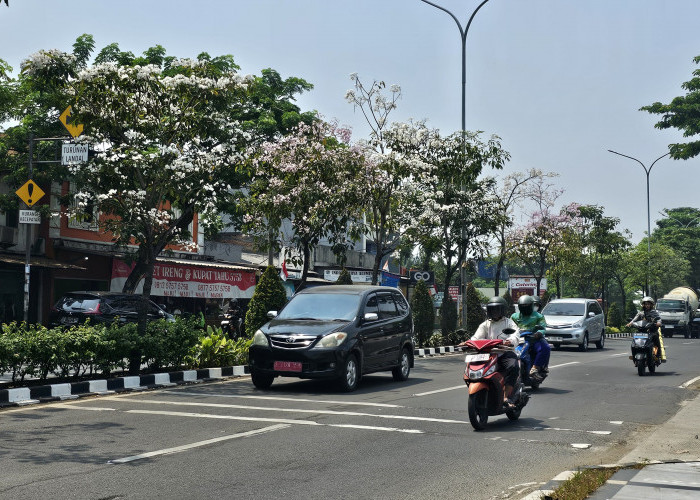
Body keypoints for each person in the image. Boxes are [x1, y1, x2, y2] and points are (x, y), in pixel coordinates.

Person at [459, 296, 520, 408]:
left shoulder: (509, 323)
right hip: (487, 354)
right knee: (473, 368)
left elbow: (515, 335)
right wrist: (467, 343)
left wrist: (509, 341)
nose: (494, 312)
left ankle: (506, 396)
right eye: (492, 309)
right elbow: (476, 337)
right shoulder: (485, 324)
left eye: (497, 309)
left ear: (503, 310)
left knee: (514, 366)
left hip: (504, 353)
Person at [511, 295, 550, 382]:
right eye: (523, 307)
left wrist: (539, 333)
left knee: (545, 348)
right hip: (519, 339)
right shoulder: (514, 316)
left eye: (527, 307)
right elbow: (509, 327)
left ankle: (535, 368)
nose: (525, 309)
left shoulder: (538, 316)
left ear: (531, 306)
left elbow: (542, 327)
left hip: (534, 339)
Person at [626, 296, 666, 362]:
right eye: (646, 304)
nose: (647, 305)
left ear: (651, 305)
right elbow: (634, 319)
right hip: (642, 330)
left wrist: (658, 323)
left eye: (648, 304)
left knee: (656, 339)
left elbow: (659, 319)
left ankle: (658, 355)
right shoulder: (641, 313)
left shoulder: (654, 312)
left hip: (652, 330)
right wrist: (630, 323)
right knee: (634, 342)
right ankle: (634, 354)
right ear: (643, 305)